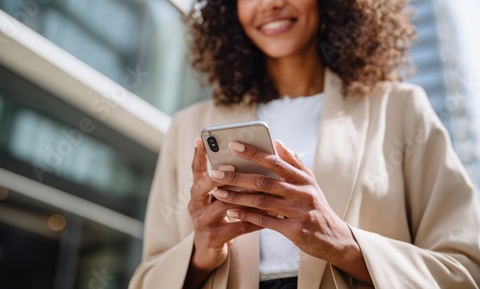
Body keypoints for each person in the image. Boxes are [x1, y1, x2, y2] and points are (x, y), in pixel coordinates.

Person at [129, 0, 480, 288]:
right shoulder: (187, 127)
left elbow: (466, 271)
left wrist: (345, 244)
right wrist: (200, 254)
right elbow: (146, 279)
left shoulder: (401, 109)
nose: (271, 4)